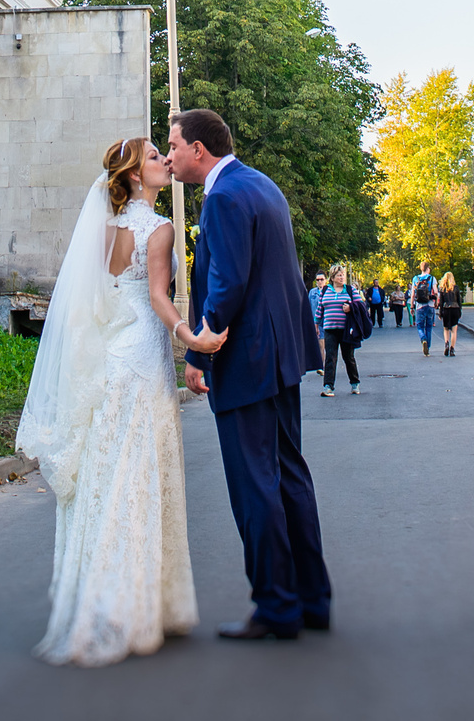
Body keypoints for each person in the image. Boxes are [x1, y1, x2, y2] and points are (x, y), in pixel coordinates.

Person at [15, 136, 206, 665]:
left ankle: (100, 598)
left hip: (111, 355)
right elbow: (158, 298)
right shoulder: (160, 229)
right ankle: (138, 604)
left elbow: (98, 295)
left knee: (109, 469)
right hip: (143, 352)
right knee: (142, 470)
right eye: (153, 158)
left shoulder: (102, 229)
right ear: (134, 176)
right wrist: (189, 339)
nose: (164, 162)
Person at [171, 107, 333, 640]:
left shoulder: (220, 198)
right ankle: (312, 600)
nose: (170, 156)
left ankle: (276, 607)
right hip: (285, 357)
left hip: (247, 361)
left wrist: (198, 354)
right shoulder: (263, 185)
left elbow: (228, 282)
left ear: (199, 149)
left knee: (253, 486)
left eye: (173, 145)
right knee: (289, 476)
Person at [316, 267, 362, 397]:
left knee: (349, 357)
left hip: (346, 330)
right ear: (332, 277)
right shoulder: (326, 290)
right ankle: (328, 386)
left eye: (343, 275)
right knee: (330, 357)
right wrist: (316, 323)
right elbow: (320, 308)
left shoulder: (350, 290)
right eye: (338, 275)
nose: (341, 278)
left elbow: (360, 305)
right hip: (330, 329)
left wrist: (350, 307)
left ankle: (355, 383)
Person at [411, 262, 439, 356]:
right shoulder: (432, 278)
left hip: (419, 306)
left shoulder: (415, 279)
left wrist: (412, 306)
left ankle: (423, 339)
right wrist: (436, 303)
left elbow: (413, 294)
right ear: (428, 269)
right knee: (429, 327)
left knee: (420, 326)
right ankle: (428, 348)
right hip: (430, 305)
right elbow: (436, 292)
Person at [438, 271, 464, 357]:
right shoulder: (456, 288)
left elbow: (441, 302)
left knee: (446, 329)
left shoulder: (442, 289)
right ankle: (452, 349)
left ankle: (446, 344)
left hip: (446, 309)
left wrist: (440, 313)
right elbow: (459, 301)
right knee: (454, 330)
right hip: (455, 308)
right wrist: (460, 311)